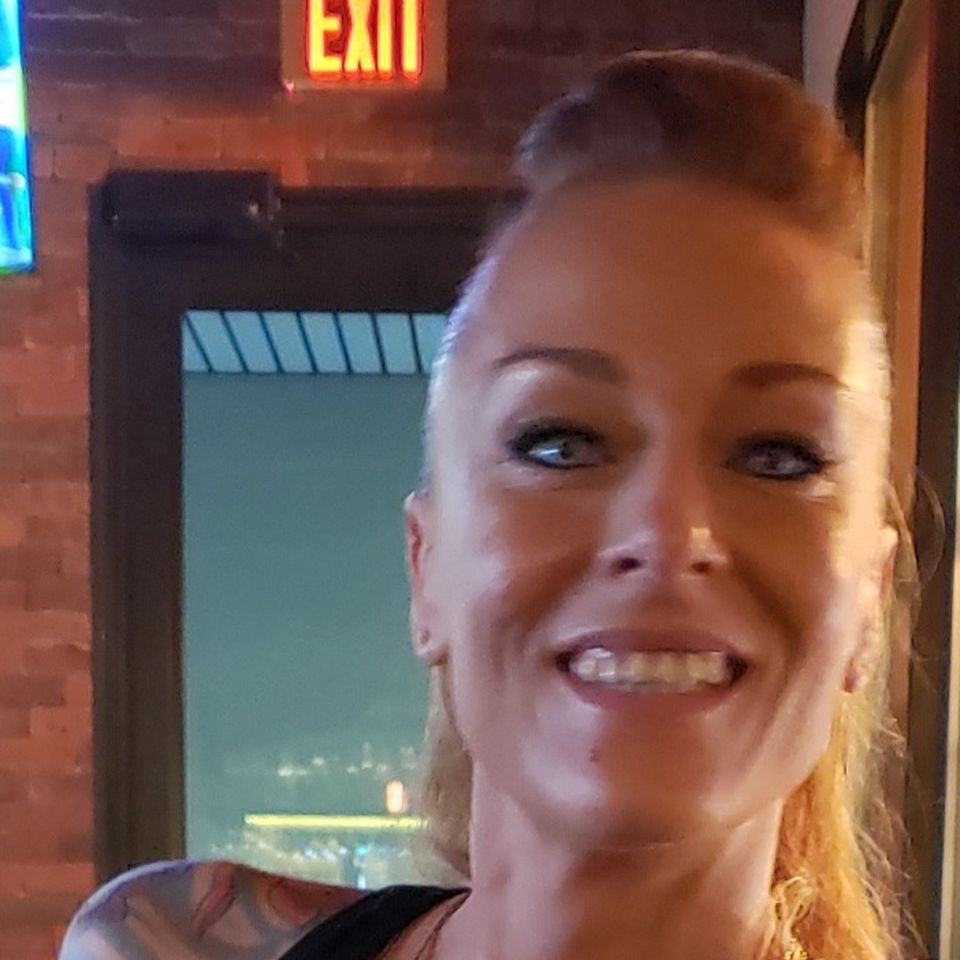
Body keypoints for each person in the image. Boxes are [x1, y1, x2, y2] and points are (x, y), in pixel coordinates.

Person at [60, 49, 926, 960]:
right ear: (425, 567)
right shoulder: (154, 943)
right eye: (560, 443)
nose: (668, 532)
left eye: (778, 457)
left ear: (867, 602)